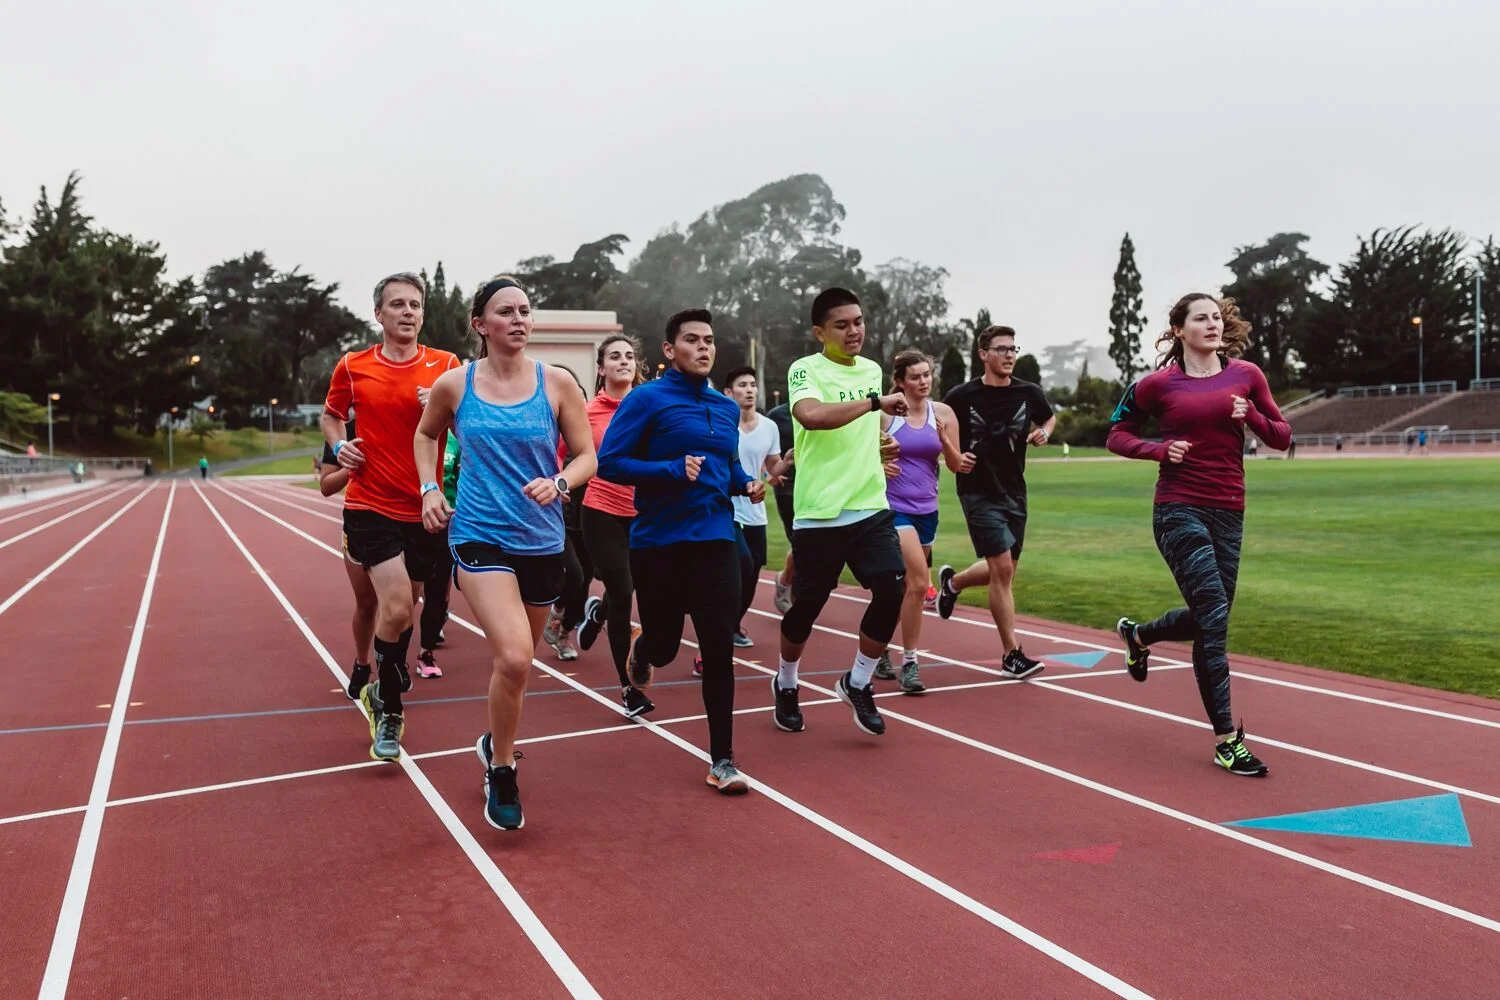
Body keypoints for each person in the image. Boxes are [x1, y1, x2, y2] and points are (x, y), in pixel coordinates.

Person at [415, 276, 595, 830]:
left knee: (520, 667)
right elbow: (426, 436)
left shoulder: (558, 383)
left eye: (525, 310)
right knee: (514, 656)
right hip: (478, 534)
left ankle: (497, 735)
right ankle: (501, 767)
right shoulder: (455, 385)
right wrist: (430, 488)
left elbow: (587, 456)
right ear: (480, 325)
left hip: (542, 539)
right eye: (505, 312)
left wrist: (561, 484)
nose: (519, 319)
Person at [1107, 293, 1290, 777]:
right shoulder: (1157, 383)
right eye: (1200, 318)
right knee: (1213, 615)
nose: (1211, 324)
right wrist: (1159, 449)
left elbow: (1282, 435)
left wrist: (1248, 416)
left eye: (1215, 317)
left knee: (1211, 616)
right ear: (1180, 329)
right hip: (1177, 508)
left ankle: (1140, 635)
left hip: (1229, 511)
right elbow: (1116, 433)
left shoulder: (1247, 376)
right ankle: (1228, 740)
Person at [596, 308, 762, 793]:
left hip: (715, 539)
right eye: (692, 340)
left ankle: (722, 760)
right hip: (658, 543)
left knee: (717, 646)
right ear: (670, 351)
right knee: (667, 646)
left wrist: (746, 484)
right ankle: (644, 648)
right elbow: (611, 463)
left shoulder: (726, 407)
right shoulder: (648, 400)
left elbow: (727, 466)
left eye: (709, 340)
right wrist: (669, 469)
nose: (704, 347)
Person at [322, 271, 461, 762]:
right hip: (369, 503)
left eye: (415, 304)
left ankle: (389, 667)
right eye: (397, 304)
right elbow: (331, 413)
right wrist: (341, 446)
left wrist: (447, 406)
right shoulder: (354, 365)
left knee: (410, 607)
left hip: (425, 506)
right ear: (378, 314)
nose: (408, 312)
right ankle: (389, 706)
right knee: (397, 605)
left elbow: (471, 423)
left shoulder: (446, 366)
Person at [773, 287, 909, 738]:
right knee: (807, 607)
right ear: (819, 332)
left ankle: (859, 681)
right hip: (820, 512)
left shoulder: (871, 369)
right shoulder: (804, 370)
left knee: (892, 588)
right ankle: (787, 682)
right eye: (842, 324)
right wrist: (873, 404)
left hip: (869, 505)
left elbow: (860, 428)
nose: (854, 331)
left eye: (858, 321)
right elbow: (812, 417)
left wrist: (879, 441)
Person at [935, 325, 1055, 679]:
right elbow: (936, 425)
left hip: (1015, 490)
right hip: (977, 490)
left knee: (1005, 570)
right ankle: (1011, 654)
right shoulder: (960, 396)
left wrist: (1046, 431)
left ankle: (952, 583)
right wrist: (955, 456)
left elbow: (1048, 416)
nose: (1009, 355)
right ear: (983, 354)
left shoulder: (1028, 392)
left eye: (1012, 349)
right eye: (1001, 349)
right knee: (1002, 571)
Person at [573, 336, 653, 716]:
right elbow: (563, 456)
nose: (624, 361)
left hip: (646, 513)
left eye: (629, 356)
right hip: (601, 509)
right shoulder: (586, 413)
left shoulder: (651, 407)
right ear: (601, 369)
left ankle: (598, 615)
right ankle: (627, 687)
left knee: (639, 587)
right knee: (622, 590)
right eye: (615, 357)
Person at [873, 349, 960, 694]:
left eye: (927, 375)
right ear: (899, 382)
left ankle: (876, 645)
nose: (923, 382)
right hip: (893, 508)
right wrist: (878, 464)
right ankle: (910, 662)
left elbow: (955, 464)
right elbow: (859, 454)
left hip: (928, 510)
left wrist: (946, 440)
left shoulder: (942, 413)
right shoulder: (883, 416)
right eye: (916, 377)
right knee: (919, 582)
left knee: (901, 589)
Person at [318, 415, 378, 698]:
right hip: (362, 521)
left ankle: (393, 664)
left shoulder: (410, 416)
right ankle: (363, 663)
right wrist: (351, 466)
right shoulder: (345, 430)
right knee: (367, 605)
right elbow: (326, 485)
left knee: (402, 606)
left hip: (406, 519)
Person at [724, 366, 784, 648]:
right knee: (740, 564)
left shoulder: (769, 427)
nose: (749, 390)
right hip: (730, 510)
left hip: (756, 511)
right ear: (728, 392)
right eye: (742, 385)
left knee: (753, 569)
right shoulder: (724, 426)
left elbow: (772, 464)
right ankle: (722, 624)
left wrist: (785, 464)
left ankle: (733, 623)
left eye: (752, 385)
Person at [414, 429, 461, 678]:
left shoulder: (455, 437)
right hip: (410, 519)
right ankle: (395, 654)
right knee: (404, 596)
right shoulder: (413, 434)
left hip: (446, 520)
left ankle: (426, 653)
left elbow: (463, 476)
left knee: (438, 592)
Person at [765, 400, 798, 613]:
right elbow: (764, 447)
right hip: (788, 485)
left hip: (818, 485)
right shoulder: (777, 415)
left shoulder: (823, 411)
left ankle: (787, 582)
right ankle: (787, 585)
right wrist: (770, 471)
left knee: (814, 545)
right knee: (800, 541)